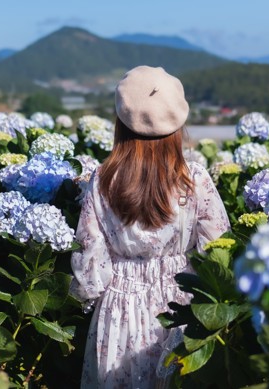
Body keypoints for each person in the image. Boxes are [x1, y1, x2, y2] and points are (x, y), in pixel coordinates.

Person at [70, 65, 230, 388]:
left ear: (121, 122)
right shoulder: (195, 180)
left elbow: (89, 269)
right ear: (177, 124)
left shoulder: (103, 180)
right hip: (179, 308)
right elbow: (217, 253)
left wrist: (82, 298)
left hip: (119, 313)